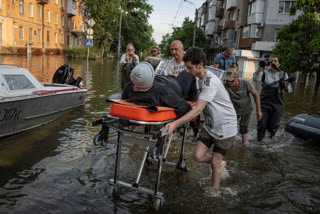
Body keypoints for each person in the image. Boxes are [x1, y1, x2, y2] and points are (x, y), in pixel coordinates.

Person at [165, 47, 237, 189]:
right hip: (210, 124)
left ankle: (214, 190)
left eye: (189, 68)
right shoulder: (199, 78)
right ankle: (219, 163)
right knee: (197, 156)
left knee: (215, 162)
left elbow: (198, 110)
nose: (187, 71)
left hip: (225, 126)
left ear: (200, 65)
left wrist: (174, 124)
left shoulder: (210, 82)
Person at [121, 62, 197, 117]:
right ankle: (193, 99)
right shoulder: (162, 91)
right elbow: (185, 108)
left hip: (163, 80)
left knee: (170, 76)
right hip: (176, 85)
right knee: (189, 72)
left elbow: (123, 100)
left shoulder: (130, 86)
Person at [253, 56, 292, 141]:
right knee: (262, 123)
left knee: (274, 125)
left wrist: (285, 86)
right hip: (264, 103)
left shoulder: (283, 74)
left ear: (279, 64)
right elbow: (255, 78)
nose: (273, 62)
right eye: (271, 61)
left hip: (278, 103)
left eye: (275, 61)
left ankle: (271, 140)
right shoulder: (264, 73)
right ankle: (259, 141)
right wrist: (260, 66)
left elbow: (289, 90)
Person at [224, 68, 262, 145]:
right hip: (234, 109)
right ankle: (230, 144)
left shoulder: (246, 83)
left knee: (243, 127)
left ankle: (244, 145)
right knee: (230, 126)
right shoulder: (225, 86)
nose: (229, 83)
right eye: (227, 80)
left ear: (237, 78)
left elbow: (256, 95)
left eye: (231, 80)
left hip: (246, 109)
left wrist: (258, 110)